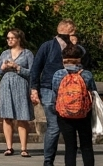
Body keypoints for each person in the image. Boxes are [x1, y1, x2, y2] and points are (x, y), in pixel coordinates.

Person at [31, 19, 86, 166]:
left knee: (70, 124)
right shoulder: (48, 46)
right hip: (49, 89)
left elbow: (85, 60)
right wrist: (34, 89)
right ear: (67, 32)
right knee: (54, 126)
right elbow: (36, 68)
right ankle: (48, 161)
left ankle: (69, 159)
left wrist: (76, 45)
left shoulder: (74, 47)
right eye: (73, 32)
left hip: (71, 90)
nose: (75, 35)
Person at [50, 44, 96, 166]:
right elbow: (93, 93)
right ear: (80, 58)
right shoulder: (87, 74)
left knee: (70, 147)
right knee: (86, 146)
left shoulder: (58, 74)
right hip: (83, 114)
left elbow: (55, 94)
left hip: (64, 115)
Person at [0, 28, 35, 156]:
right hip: (6, 85)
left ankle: (23, 148)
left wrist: (17, 67)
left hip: (21, 85)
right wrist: (2, 68)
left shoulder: (27, 54)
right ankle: (9, 147)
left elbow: (32, 72)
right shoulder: (4, 54)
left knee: (22, 116)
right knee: (7, 117)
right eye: (8, 38)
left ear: (19, 39)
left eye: (12, 38)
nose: (9, 40)